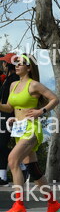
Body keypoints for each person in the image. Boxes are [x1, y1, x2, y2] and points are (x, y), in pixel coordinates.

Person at [0, 54, 60, 212]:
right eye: (16, 63)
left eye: (21, 63)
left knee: (12, 160)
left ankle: (19, 205)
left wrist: (41, 111)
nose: (17, 66)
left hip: (31, 129)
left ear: (29, 67)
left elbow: (55, 99)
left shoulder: (34, 85)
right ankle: (53, 203)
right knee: (34, 171)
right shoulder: (13, 85)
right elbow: (10, 107)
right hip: (18, 130)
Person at [0, 53, 20, 186]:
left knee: (3, 145)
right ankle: (3, 176)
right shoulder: (9, 79)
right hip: (8, 115)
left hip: (9, 116)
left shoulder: (13, 80)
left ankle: (4, 177)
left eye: (3, 63)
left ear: (7, 64)